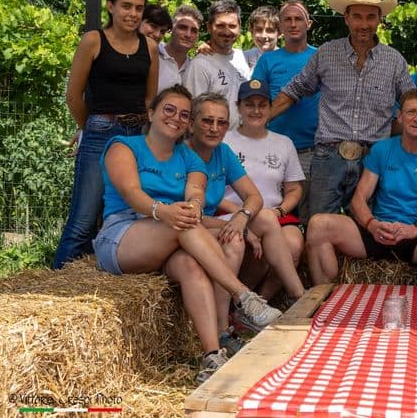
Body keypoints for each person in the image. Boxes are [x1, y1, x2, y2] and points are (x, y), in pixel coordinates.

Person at [91, 85, 284, 384]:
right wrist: (166, 212)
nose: (176, 118)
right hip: (123, 233)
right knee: (183, 224)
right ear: (152, 113)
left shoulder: (189, 156)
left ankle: (212, 356)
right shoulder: (123, 146)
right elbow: (131, 193)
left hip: (172, 234)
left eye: (183, 114)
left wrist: (192, 206)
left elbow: (196, 191)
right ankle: (244, 297)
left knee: (192, 265)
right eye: (169, 110)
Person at [270, 0, 415, 216]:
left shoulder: (394, 60)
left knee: (365, 229)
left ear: (380, 20)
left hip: (374, 159)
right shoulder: (327, 53)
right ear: (346, 18)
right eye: (357, 16)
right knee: (318, 223)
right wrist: (259, 118)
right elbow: (295, 89)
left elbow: (412, 103)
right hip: (328, 156)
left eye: (370, 17)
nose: (364, 24)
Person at [306, 89, 417, 286]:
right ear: (400, 117)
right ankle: (323, 298)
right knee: (318, 224)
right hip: (379, 232)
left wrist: (416, 228)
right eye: (411, 112)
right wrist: (372, 224)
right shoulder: (382, 149)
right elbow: (358, 199)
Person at [185, 91, 304, 352]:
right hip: (185, 229)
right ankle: (223, 329)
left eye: (220, 122)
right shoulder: (182, 154)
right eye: (207, 121)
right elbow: (186, 216)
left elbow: (254, 197)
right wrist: (239, 227)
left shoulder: (222, 152)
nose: (214, 128)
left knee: (263, 220)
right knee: (235, 241)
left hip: (214, 222)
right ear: (191, 122)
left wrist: (242, 217)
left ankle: (300, 298)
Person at [53, 0, 159, 269]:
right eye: (126, 6)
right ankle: (58, 283)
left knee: (123, 213)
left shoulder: (149, 47)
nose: (133, 13)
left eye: (139, 8)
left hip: (136, 135)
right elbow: (73, 96)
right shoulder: (93, 40)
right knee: (84, 217)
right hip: (101, 130)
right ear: (111, 7)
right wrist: (91, 125)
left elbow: (150, 98)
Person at [222, 80, 307, 302]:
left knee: (294, 245)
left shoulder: (283, 143)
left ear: (270, 108)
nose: (256, 111)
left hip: (274, 213)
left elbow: (294, 189)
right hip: (232, 212)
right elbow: (210, 190)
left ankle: (261, 301)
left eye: (262, 104)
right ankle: (240, 303)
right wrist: (244, 212)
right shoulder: (224, 140)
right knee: (260, 240)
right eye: (249, 104)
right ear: (238, 107)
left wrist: (279, 211)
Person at [251, 0, 318, 220]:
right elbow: (255, 101)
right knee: (276, 210)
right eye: (287, 19)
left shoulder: (321, 57)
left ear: (308, 23)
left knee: (309, 212)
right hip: (275, 149)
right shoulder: (268, 60)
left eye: (298, 18)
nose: (293, 24)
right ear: (280, 26)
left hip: (312, 150)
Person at [184, 0, 249, 129]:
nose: (226, 31)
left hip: (243, 141)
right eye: (220, 25)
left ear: (239, 27)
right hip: (213, 142)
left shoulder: (243, 57)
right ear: (209, 27)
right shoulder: (200, 65)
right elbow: (193, 112)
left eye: (232, 26)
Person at [157, 5, 203, 91]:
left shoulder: (195, 67)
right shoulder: (154, 54)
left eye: (194, 31)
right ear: (170, 29)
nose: (188, 35)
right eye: (183, 28)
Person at [243, 5, 280, 70]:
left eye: (270, 30)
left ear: (280, 33)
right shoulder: (244, 58)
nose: (263, 35)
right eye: (258, 30)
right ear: (251, 31)